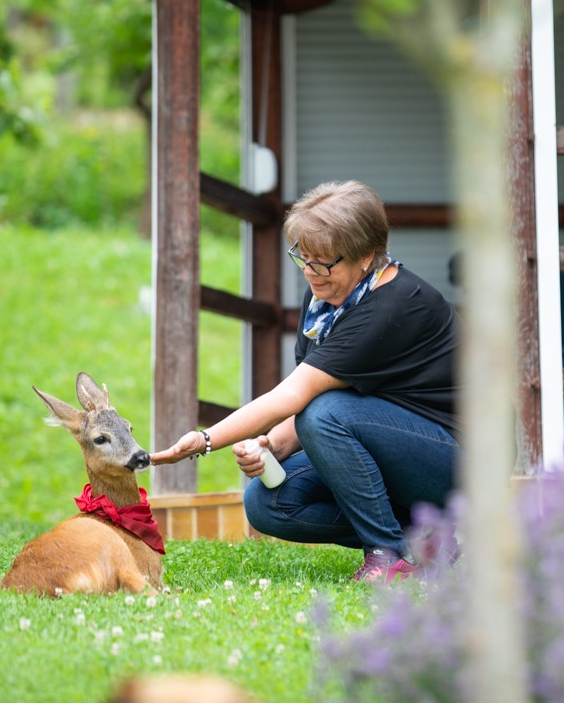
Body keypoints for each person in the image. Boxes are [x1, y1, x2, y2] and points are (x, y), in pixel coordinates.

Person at [150, 180, 461, 582]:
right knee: (267, 502)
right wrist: (272, 445)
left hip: (461, 458)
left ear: (366, 257)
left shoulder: (394, 305)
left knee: (325, 414)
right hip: (397, 447)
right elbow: (314, 399)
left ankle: (387, 557)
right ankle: (429, 538)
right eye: (304, 257)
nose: (311, 272)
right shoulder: (326, 301)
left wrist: (206, 440)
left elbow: (299, 397)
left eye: (324, 262)